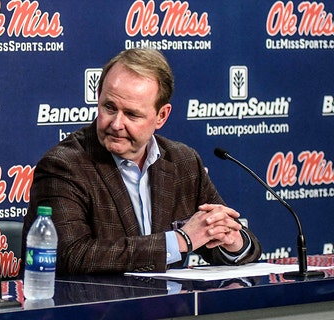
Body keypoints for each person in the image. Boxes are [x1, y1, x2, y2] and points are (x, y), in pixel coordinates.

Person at [23, 48, 262, 275]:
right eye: (109, 107)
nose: (116, 124)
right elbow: (70, 255)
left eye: (132, 114)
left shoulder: (182, 162)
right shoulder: (64, 165)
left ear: (161, 116)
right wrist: (180, 240)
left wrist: (232, 240)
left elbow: (230, 243)